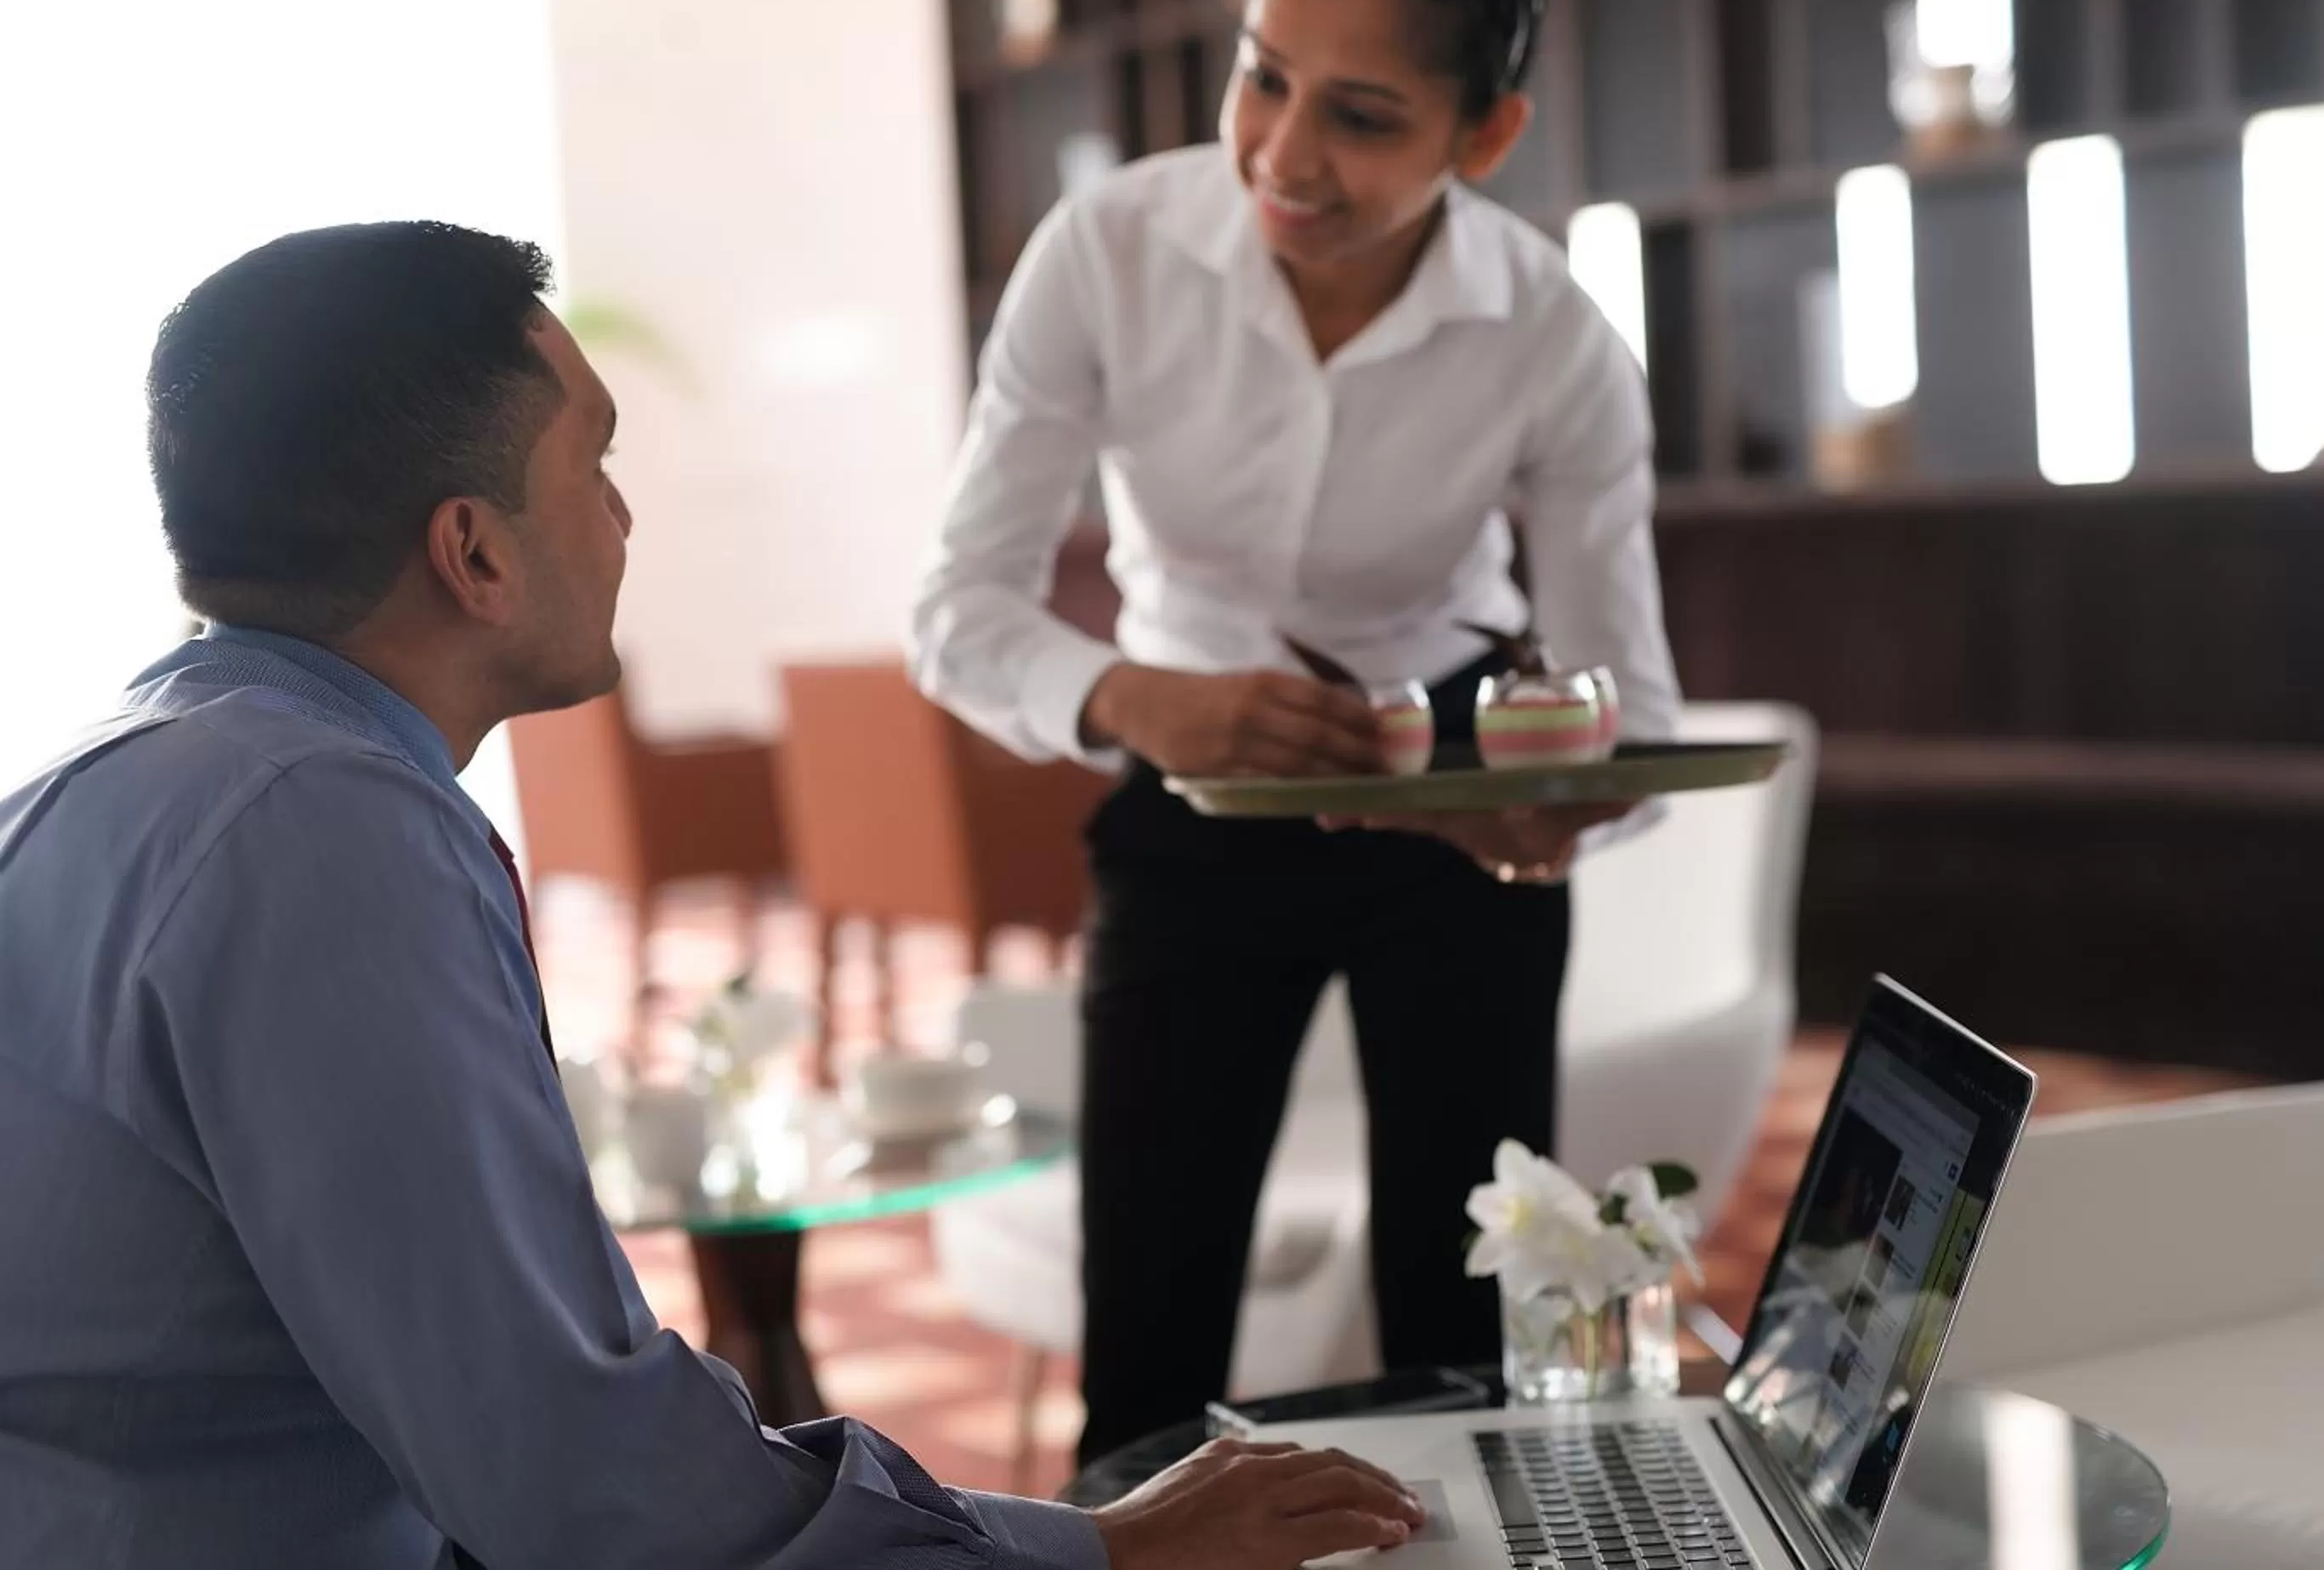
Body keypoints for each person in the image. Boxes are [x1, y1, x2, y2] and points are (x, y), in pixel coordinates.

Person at [0, 221, 1423, 1569]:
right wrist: (1103, 1546)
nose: (621, 518)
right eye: (595, 465)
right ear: (474, 553)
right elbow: (581, 1478)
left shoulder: (104, 787)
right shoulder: (318, 830)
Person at [909, 0, 1680, 1465]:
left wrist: (1559, 812)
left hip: (1455, 795)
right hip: (1184, 777)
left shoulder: (1551, 336)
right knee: (1152, 1334)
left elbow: (1634, 695)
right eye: (1264, 77)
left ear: (1485, 139)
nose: (1282, 154)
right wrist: (1134, 695)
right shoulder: (1107, 252)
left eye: (1364, 116)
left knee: (1467, 1323)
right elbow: (958, 613)